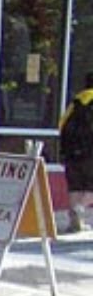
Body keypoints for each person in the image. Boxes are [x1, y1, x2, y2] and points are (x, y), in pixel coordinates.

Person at [59, 72, 93, 233]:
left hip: (71, 153)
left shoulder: (75, 103)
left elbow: (62, 125)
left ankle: (75, 223)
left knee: (75, 186)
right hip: (90, 152)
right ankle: (79, 209)